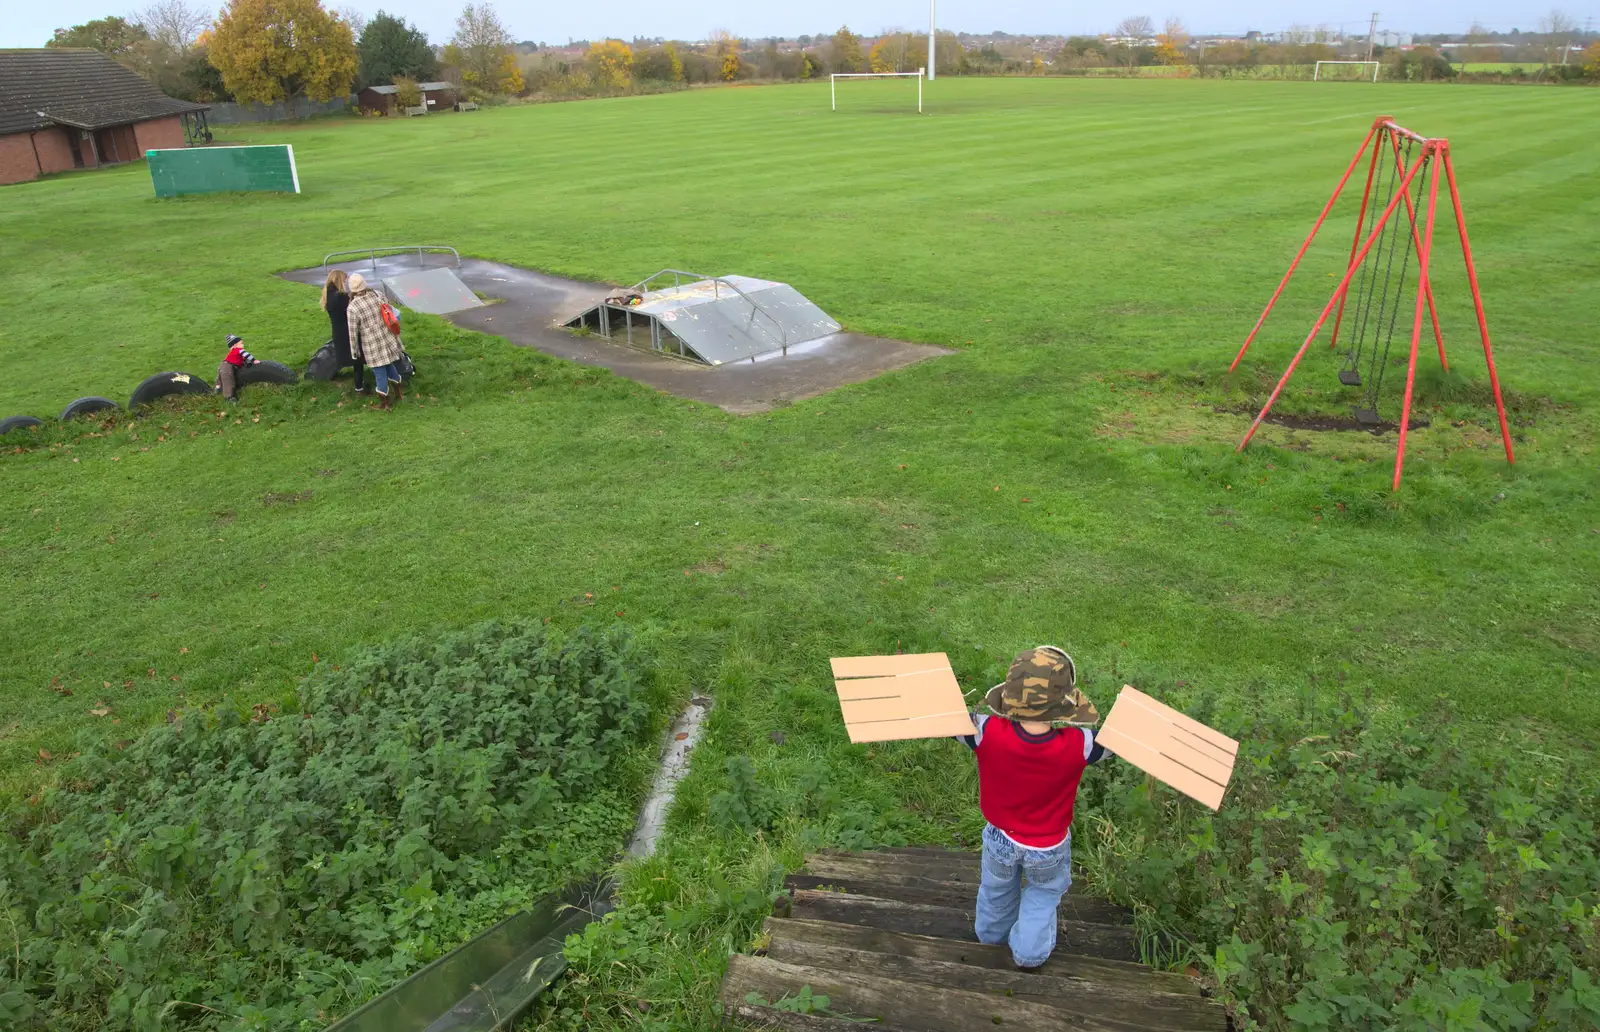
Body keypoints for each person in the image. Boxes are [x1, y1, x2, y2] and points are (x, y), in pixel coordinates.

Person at [955, 646, 1110, 972]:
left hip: (1000, 839)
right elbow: (1116, 743)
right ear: (1062, 706)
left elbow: (951, 722)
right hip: (1048, 846)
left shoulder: (985, 733)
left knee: (997, 890)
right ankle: (1028, 953)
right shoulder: (1081, 744)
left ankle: (991, 939)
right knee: (1042, 895)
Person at [345, 273, 406, 409]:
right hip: (387, 337)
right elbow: (389, 311)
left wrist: (354, 352)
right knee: (389, 365)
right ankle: (399, 393)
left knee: (379, 373)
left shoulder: (352, 307)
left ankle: (385, 404)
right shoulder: (378, 295)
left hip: (371, 344)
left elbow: (353, 333)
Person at [320, 269, 366, 393]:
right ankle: (359, 387)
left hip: (339, 331)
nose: (346, 283)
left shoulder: (329, 294)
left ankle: (359, 385)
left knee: (353, 358)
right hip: (348, 331)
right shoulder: (340, 297)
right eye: (345, 280)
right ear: (340, 280)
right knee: (357, 359)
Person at [215, 333, 260, 402]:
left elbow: (241, 359)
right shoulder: (238, 350)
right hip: (227, 366)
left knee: (221, 377)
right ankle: (230, 397)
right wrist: (254, 360)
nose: (243, 345)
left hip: (223, 365)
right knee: (228, 379)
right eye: (241, 343)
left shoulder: (234, 352)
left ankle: (218, 388)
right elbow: (246, 355)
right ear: (235, 345)